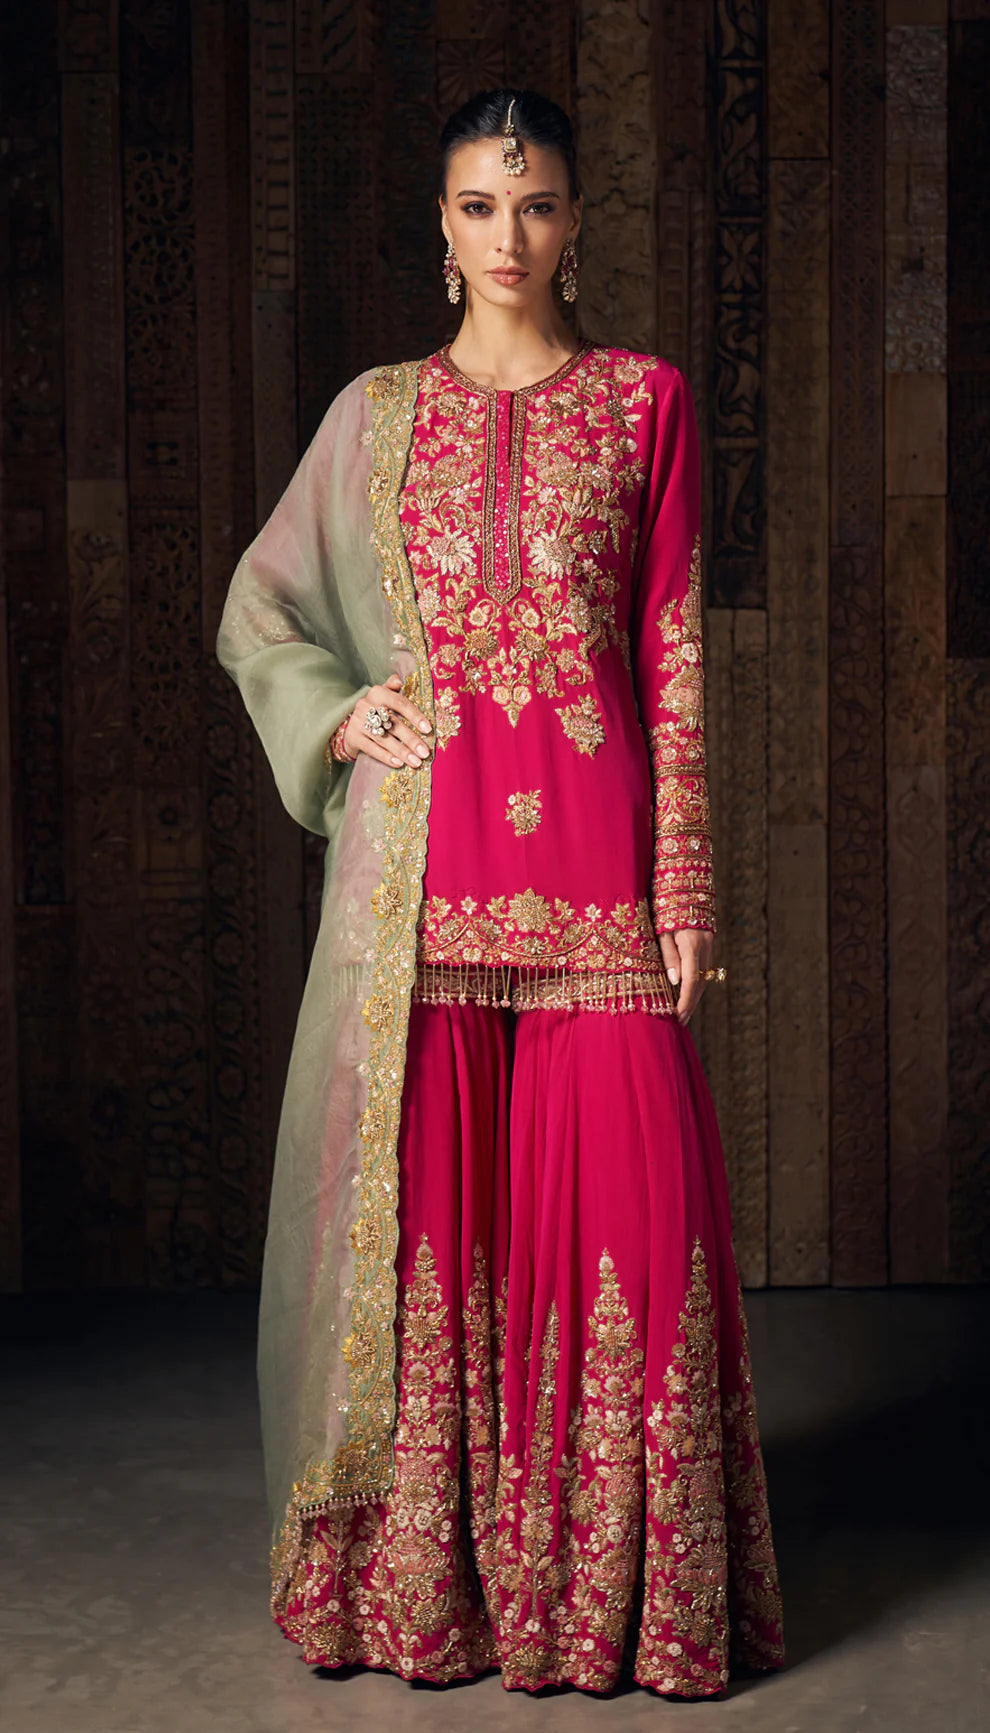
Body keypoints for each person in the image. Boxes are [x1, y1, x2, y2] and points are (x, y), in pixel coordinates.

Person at [217, 87, 784, 1699]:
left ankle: (610, 1598)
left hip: (599, 876)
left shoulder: (645, 403)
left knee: (628, 1230)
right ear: (442, 227)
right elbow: (262, 607)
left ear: (577, 219)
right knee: (433, 1246)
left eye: (534, 205)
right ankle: (431, 1590)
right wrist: (342, 713)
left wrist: (686, 882)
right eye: (478, 205)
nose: (508, 235)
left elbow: (669, 655)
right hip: (426, 883)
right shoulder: (379, 414)